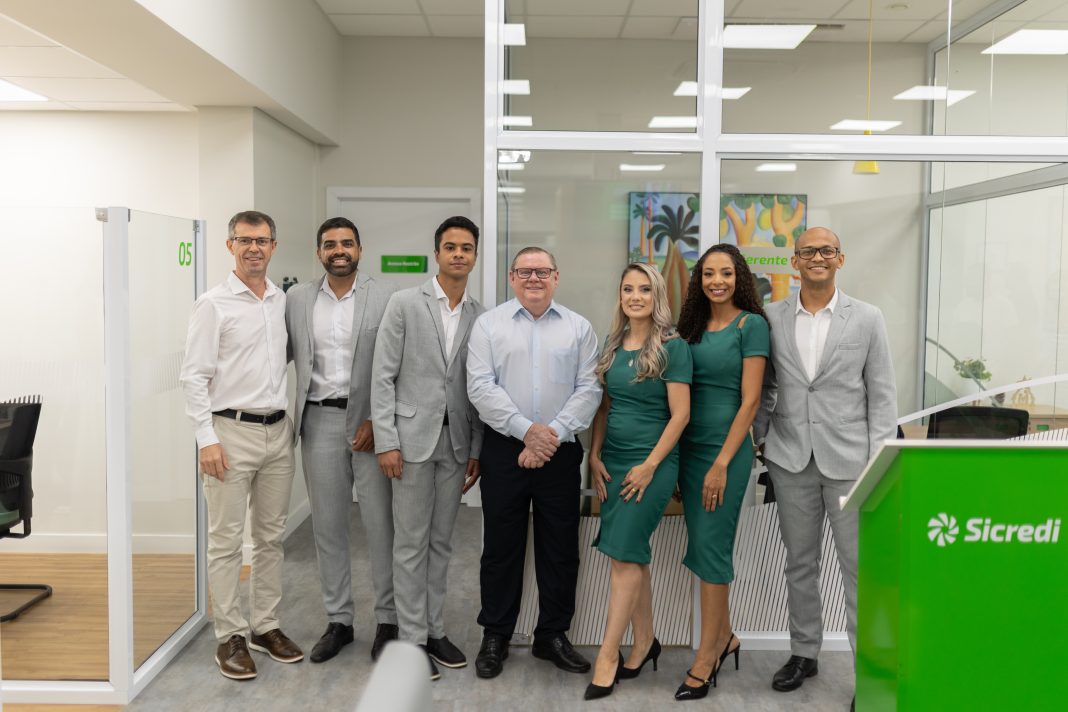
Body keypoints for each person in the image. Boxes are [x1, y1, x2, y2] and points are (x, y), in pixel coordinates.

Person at [753, 227, 896, 708]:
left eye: (827, 250)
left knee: (860, 570)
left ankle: (871, 672)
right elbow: (764, 388)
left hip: (851, 463)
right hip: (790, 459)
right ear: (794, 262)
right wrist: (759, 437)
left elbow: (883, 396)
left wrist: (878, 464)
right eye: (808, 251)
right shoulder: (770, 318)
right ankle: (804, 652)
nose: (818, 257)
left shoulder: (868, 318)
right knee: (800, 563)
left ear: (840, 259)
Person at [466, 246, 602, 680]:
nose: (534, 279)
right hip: (505, 449)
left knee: (560, 548)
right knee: (500, 547)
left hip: (559, 452)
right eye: (525, 272)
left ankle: (552, 635)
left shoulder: (579, 328)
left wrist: (550, 435)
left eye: (542, 271)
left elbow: (589, 390)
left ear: (556, 277)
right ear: (511, 277)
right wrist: (527, 431)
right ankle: (496, 634)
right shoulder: (489, 325)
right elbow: (480, 387)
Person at [180, 210, 303, 680]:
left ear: (274, 246)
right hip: (229, 433)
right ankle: (230, 635)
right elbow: (193, 376)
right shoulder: (213, 304)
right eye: (245, 239)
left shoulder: (280, 300)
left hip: (278, 432)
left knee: (271, 537)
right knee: (227, 541)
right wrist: (206, 438)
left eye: (262, 240)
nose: (254, 248)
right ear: (230, 245)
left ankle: (265, 626)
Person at [371, 216, 485, 681]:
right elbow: (382, 376)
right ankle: (413, 639)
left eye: (466, 248)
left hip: (456, 444)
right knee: (410, 543)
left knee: (441, 542)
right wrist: (386, 441)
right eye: (450, 247)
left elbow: (478, 388)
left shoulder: (480, 314)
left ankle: (435, 630)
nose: (458, 254)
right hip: (410, 442)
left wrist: (476, 446)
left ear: (474, 255)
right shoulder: (404, 303)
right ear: (436, 253)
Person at [285, 217, 396, 664]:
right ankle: (339, 621)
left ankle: (388, 619)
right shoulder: (297, 299)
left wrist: (377, 419)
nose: (339, 250)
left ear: (360, 249)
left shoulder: (386, 297)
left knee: (381, 526)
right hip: (318, 421)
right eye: (330, 244)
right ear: (319, 253)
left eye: (347, 243)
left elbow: (398, 365)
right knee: (328, 527)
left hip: (370, 425)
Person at [584, 263, 692, 701]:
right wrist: (593, 455)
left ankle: (607, 654)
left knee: (624, 558)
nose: (635, 296)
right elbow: (604, 408)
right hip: (613, 462)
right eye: (628, 289)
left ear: (657, 295)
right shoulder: (612, 345)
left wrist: (649, 466)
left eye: (644, 289)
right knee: (630, 557)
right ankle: (645, 641)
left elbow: (681, 416)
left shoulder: (672, 347)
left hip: (652, 464)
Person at [674, 243, 769, 700]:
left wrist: (721, 463)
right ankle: (726, 636)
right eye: (709, 273)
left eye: (726, 273)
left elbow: (750, 402)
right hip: (689, 450)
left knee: (712, 552)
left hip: (724, 454)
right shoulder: (690, 327)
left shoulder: (751, 326)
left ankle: (706, 657)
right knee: (703, 546)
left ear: (739, 278)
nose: (717, 281)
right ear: (699, 280)